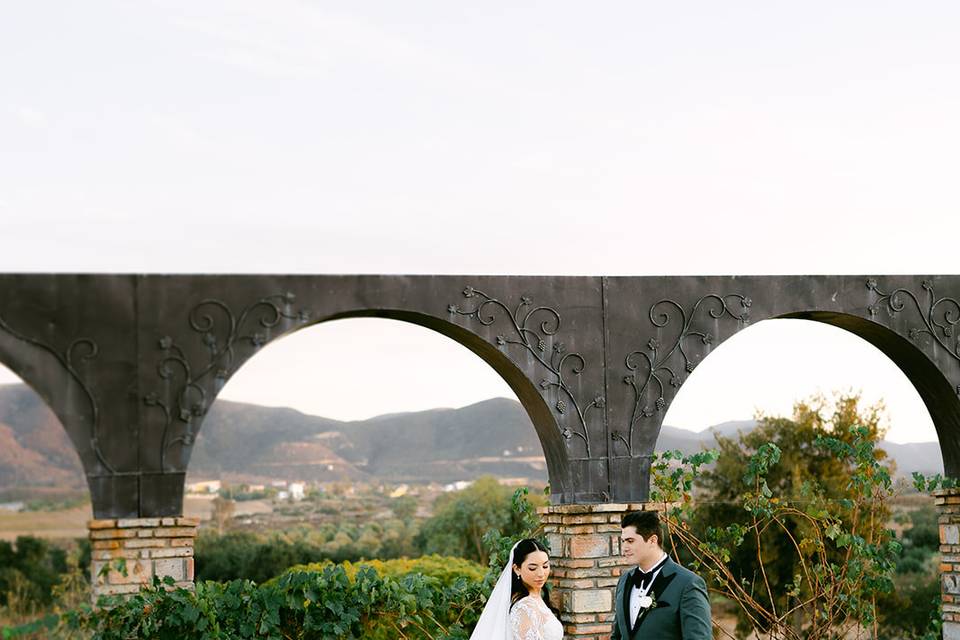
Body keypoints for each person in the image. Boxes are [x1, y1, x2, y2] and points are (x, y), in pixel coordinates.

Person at [611, 510, 711, 639]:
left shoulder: (688, 584)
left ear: (653, 540)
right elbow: (617, 636)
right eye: (623, 541)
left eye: (630, 541)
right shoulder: (624, 580)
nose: (624, 547)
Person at [469, 538, 563, 640]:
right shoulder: (524, 608)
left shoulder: (535, 598)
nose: (541, 574)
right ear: (517, 569)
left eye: (545, 566)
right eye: (532, 568)